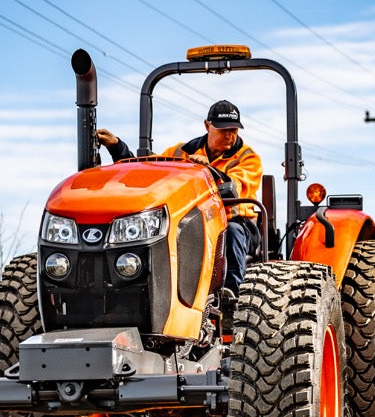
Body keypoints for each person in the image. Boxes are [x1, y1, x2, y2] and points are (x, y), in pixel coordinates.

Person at [96, 100, 263, 292]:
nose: (230, 136)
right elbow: (147, 169)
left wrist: (206, 169)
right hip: (196, 222)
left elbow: (232, 188)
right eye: (223, 130)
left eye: (234, 130)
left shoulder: (248, 158)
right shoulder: (182, 152)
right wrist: (117, 146)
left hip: (236, 223)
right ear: (207, 125)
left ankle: (232, 296)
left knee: (233, 233)